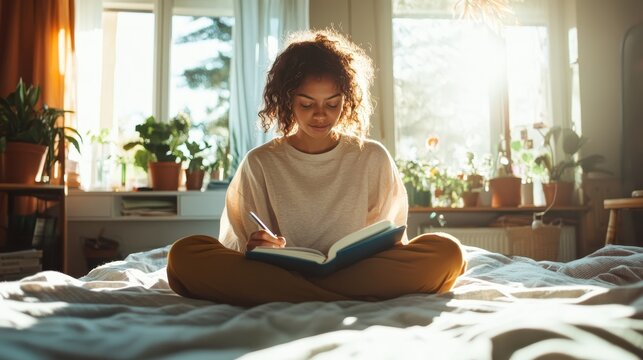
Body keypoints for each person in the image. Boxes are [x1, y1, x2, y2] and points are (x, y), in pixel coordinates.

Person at [167, 29, 466, 306]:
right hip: (281, 273)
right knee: (184, 255)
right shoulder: (260, 162)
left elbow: (393, 240)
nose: (321, 115)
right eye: (307, 104)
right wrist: (255, 244)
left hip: (347, 273)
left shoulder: (372, 156)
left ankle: (298, 294)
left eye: (332, 104)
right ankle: (332, 293)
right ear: (286, 101)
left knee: (448, 252)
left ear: (346, 101)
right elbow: (237, 247)